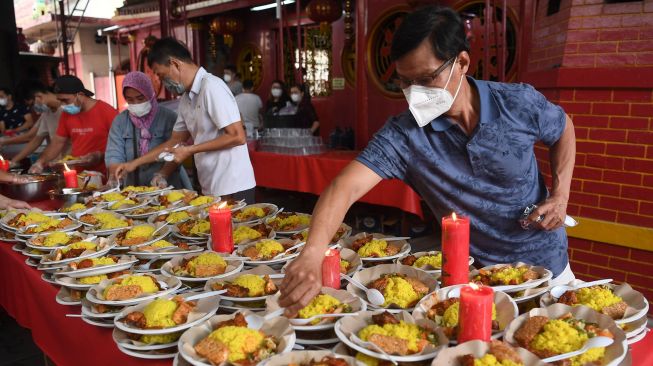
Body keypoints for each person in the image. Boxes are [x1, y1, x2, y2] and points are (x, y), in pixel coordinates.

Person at [279, 6, 576, 316]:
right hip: (473, 280)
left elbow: (563, 128)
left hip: (546, 269)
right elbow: (344, 187)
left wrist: (561, 195)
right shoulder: (405, 136)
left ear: (461, 62)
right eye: (405, 83)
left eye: (425, 78)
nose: (414, 93)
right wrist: (312, 254)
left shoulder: (516, 103)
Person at [114, 38, 256, 202]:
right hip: (211, 184)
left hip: (233, 184)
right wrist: (135, 163)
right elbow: (174, 141)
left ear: (175, 64)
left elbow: (237, 136)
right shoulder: (186, 99)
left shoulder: (211, 87)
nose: (163, 82)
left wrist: (190, 150)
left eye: (162, 75)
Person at [105, 71, 191, 188]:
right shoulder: (120, 122)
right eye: (130, 99)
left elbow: (176, 150)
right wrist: (114, 174)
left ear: (150, 94)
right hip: (133, 190)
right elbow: (114, 153)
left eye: (140, 98)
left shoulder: (169, 118)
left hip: (168, 187)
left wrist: (162, 175)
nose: (136, 103)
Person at [29, 75, 118, 174]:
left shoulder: (107, 112)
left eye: (65, 100)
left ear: (80, 94)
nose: (62, 105)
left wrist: (100, 156)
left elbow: (122, 146)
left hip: (106, 173)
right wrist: (40, 162)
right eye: (60, 100)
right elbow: (57, 143)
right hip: (80, 176)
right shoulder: (66, 114)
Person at [8, 82, 68, 167]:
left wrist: (41, 161)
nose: (33, 108)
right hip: (59, 164)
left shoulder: (69, 109)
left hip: (73, 161)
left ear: (39, 96)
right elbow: (36, 140)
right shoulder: (46, 113)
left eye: (32, 104)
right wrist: (13, 161)